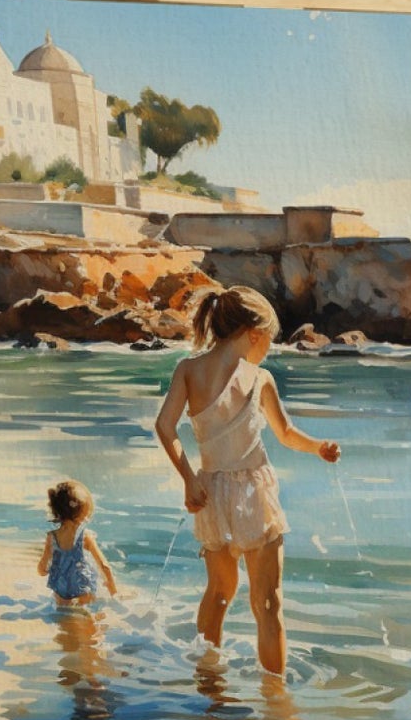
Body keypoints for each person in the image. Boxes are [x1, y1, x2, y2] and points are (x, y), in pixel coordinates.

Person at [154, 286, 339, 675]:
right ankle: (275, 698)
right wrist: (318, 447)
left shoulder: (192, 370)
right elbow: (285, 434)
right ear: (253, 334)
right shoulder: (254, 376)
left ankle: (210, 683)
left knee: (221, 593)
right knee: (267, 601)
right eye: (269, 340)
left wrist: (189, 479)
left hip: (212, 491)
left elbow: (166, 427)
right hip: (252, 492)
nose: (268, 349)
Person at [37, 478, 120, 608]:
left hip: (61, 591)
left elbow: (42, 570)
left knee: (64, 619)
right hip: (83, 588)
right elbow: (104, 566)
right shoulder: (85, 536)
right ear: (84, 510)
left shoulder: (52, 537)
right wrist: (115, 594)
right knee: (89, 619)